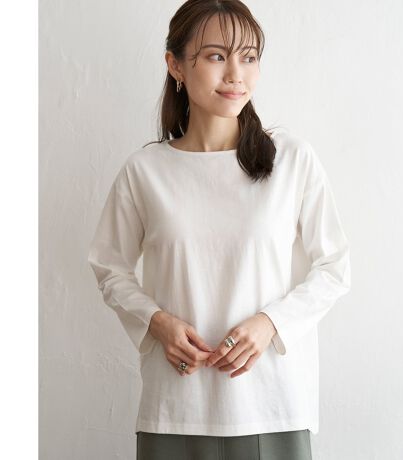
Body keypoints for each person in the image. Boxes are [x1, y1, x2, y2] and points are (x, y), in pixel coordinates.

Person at [87, 1, 351, 459]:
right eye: (216, 56)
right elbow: (109, 266)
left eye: (249, 57)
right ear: (176, 65)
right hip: (175, 407)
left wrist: (271, 324)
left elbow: (334, 267)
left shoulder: (291, 161)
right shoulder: (145, 171)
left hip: (271, 406)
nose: (236, 75)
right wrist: (157, 322)